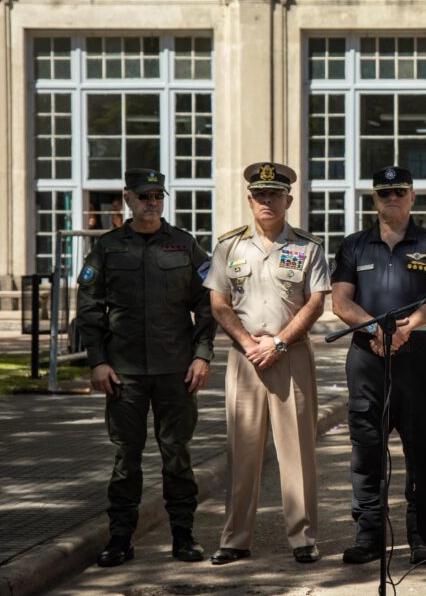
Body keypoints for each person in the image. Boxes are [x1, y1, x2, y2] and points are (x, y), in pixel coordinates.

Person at [76, 168, 215, 567]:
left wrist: (202, 354)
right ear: (127, 199)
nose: (152, 203)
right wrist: (98, 361)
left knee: (177, 455)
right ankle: (120, 539)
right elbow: (89, 307)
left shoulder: (185, 246)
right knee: (126, 458)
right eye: (144, 197)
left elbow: (206, 303)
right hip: (124, 372)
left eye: (158, 196)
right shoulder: (107, 248)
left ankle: (183, 536)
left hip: (176, 370)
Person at [204, 162, 330, 565]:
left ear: (288, 200)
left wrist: (277, 342)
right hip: (244, 359)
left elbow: (315, 302)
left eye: (274, 195)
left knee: (297, 452)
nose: (267, 201)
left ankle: (303, 537)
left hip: (289, 355)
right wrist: (246, 342)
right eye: (260, 195)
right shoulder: (228, 246)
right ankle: (235, 538)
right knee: (242, 452)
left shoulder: (309, 247)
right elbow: (218, 303)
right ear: (249, 200)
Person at [330, 166, 426, 565]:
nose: (392, 198)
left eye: (400, 191)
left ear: (413, 196)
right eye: (384, 193)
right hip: (368, 362)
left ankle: (421, 536)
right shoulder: (353, 245)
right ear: (374, 199)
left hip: (418, 363)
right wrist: (375, 331)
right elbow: (340, 302)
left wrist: (408, 328)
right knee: (366, 452)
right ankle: (368, 536)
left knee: (421, 452)